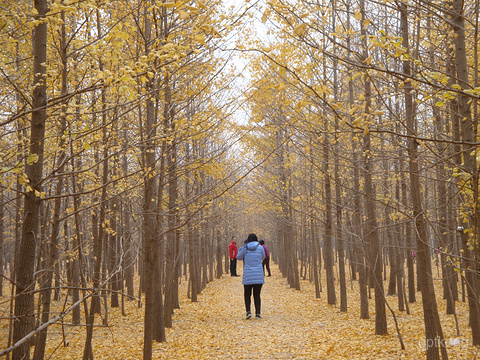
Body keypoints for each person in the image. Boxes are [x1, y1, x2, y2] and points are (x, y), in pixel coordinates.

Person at [237, 233, 265, 319]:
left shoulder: (245, 248)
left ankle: (248, 312)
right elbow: (262, 257)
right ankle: (258, 313)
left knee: (247, 294)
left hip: (248, 275)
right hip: (258, 275)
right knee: (257, 295)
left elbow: (238, 257)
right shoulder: (260, 248)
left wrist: (242, 248)